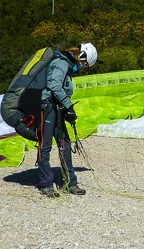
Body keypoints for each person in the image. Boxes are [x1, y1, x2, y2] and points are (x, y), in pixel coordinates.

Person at [38, 42, 99, 197]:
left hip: (57, 108)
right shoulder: (61, 63)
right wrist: (69, 107)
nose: (83, 68)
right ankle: (46, 184)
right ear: (82, 57)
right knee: (45, 146)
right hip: (48, 108)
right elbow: (54, 86)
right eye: (85, 64)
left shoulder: (66, 65)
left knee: (65, 144)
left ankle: (69, 182)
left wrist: (66, 109)